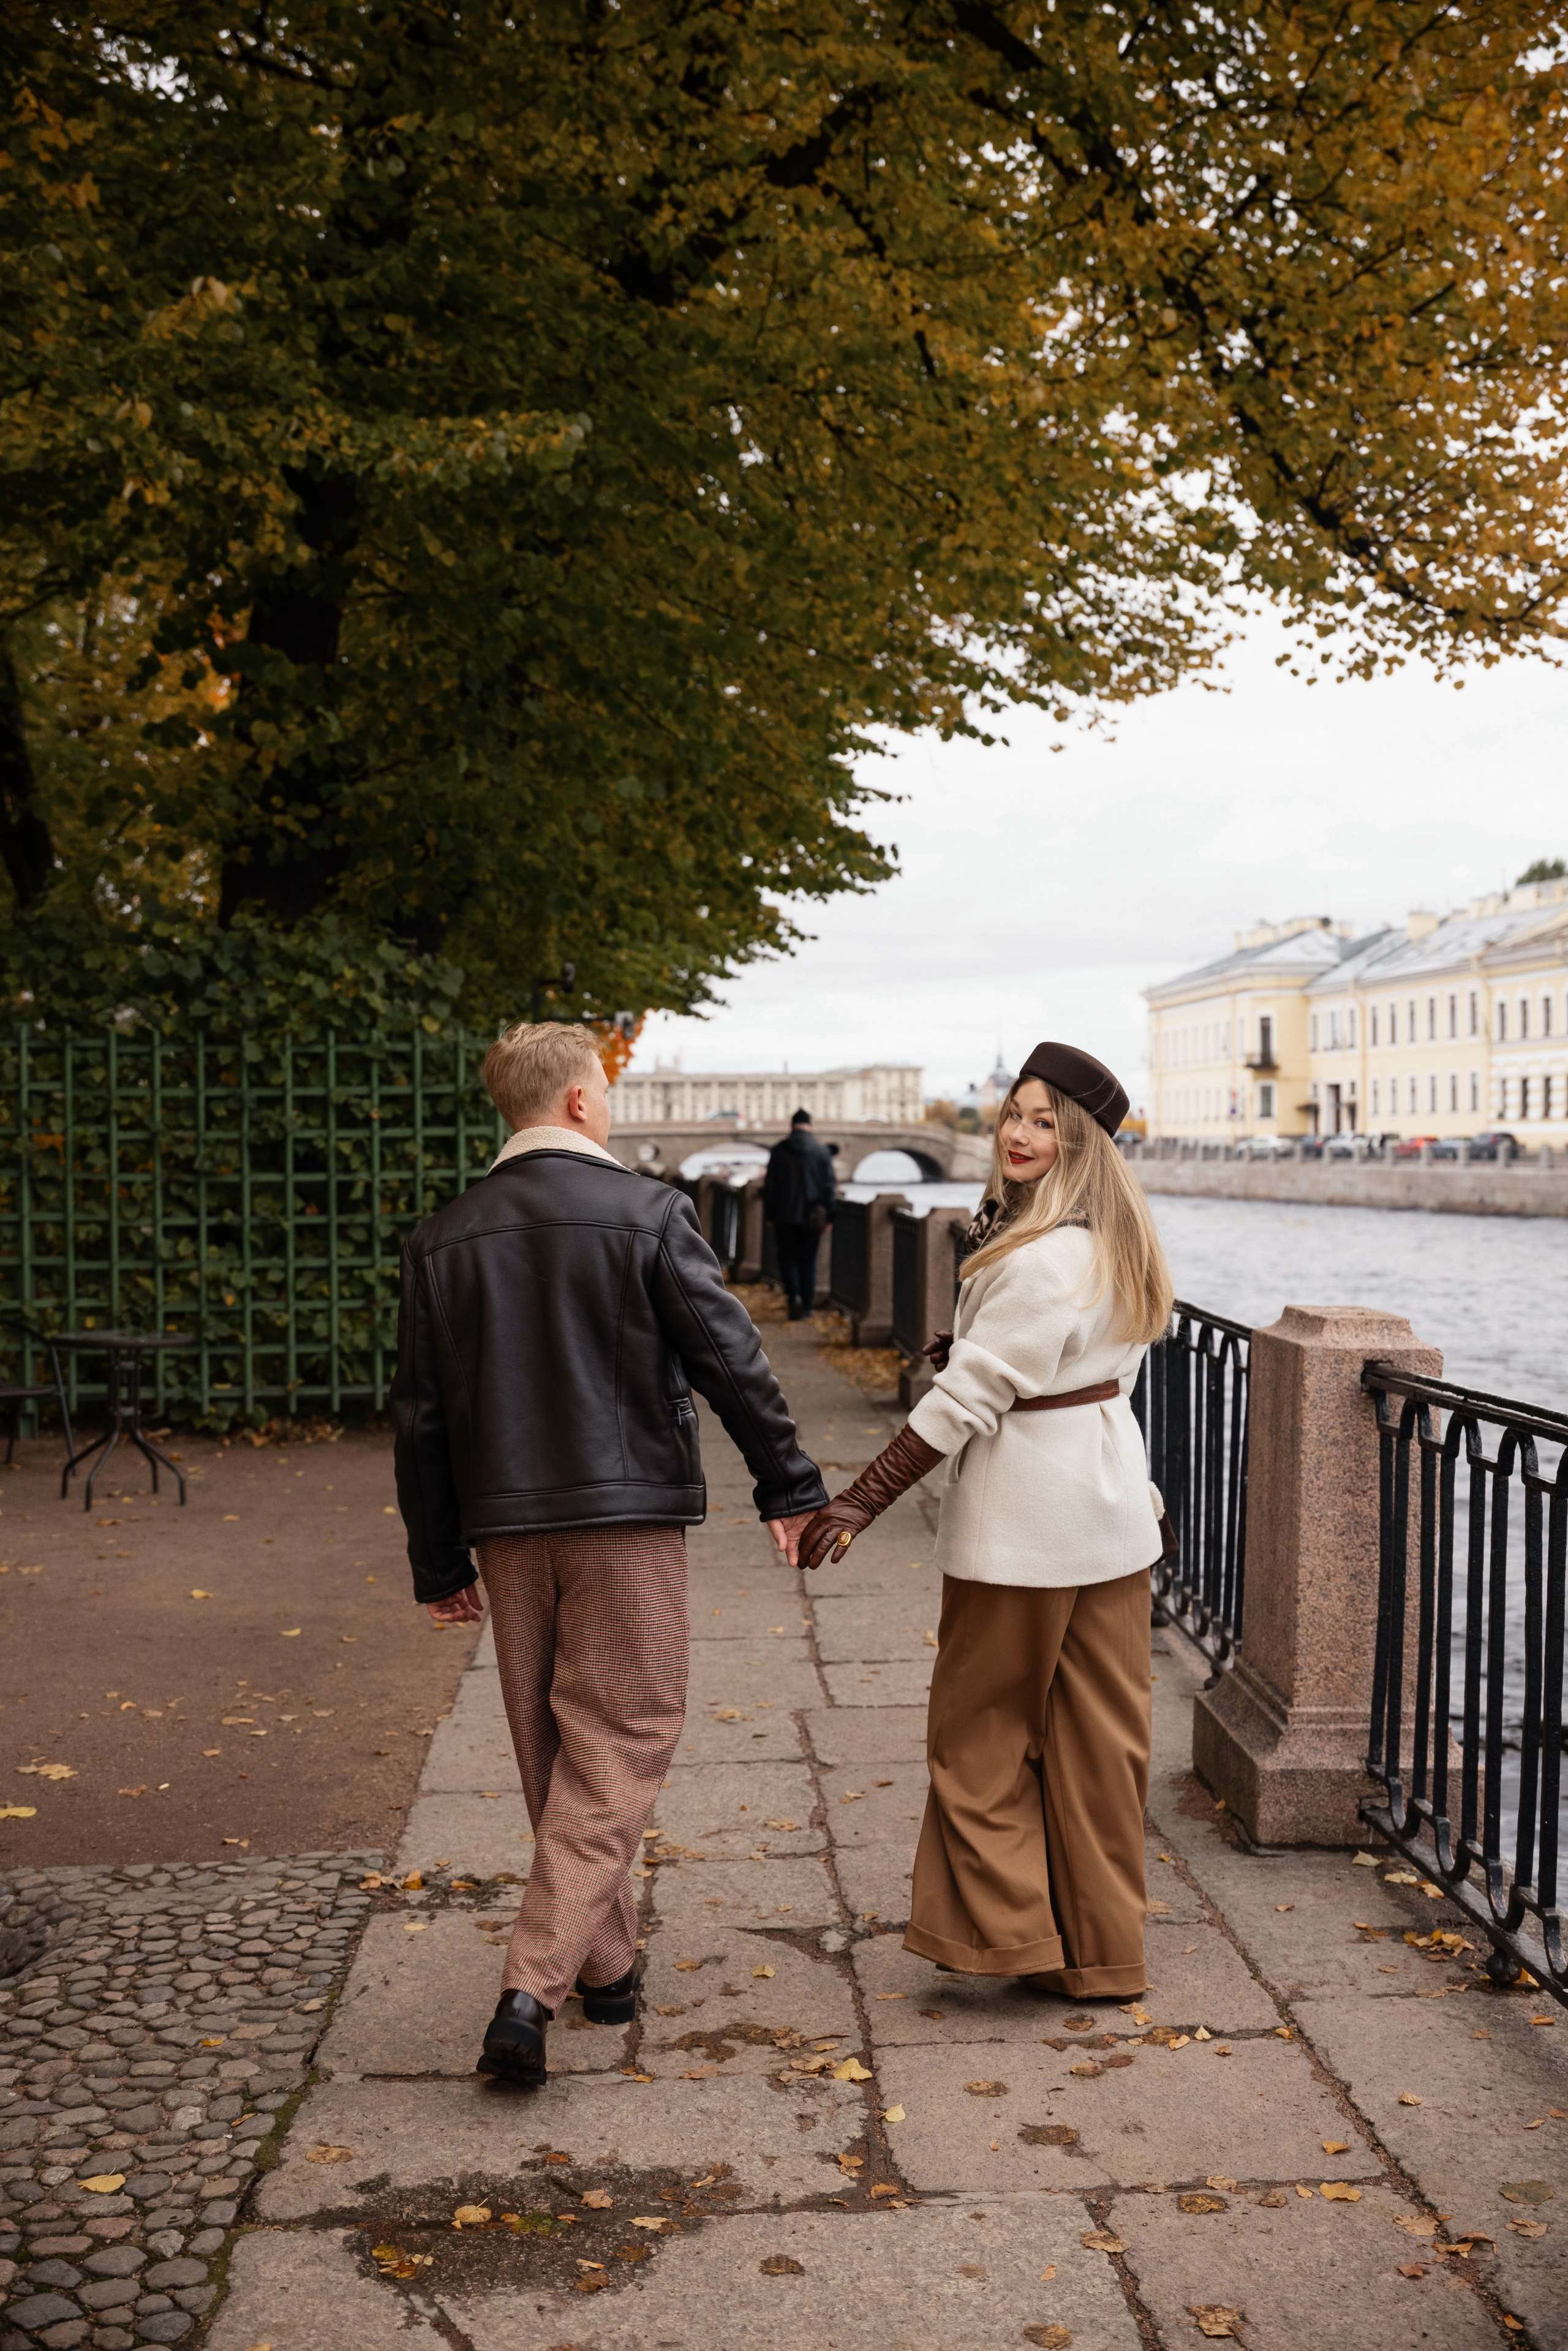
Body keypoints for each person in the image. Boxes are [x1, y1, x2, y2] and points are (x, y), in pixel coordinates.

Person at [392, 1022, 826, 2086]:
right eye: (607, 1089)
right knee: (625, 1736)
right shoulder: (648, 1213)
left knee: (555, 1746)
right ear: (582, 1101)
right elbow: (730, 1355)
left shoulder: (441, 1237)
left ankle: (611, 1965)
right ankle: (531, 1987)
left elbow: (421, 1416)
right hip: (625, 1516)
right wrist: (788, 1482)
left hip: (505, 1523)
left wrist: (439, 1559)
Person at [796, 1041, 1173, 1999]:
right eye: (1014, 1112)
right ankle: (1103, 1954)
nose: (1019, 1132)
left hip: (1025, 1528)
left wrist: (862, 1496)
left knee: (979, 1740)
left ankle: (1010, 1937)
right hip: (1110, 1517)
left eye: (1046, 1121)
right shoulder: (1114, 1241)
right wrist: (967, 1338)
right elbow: (1075, 1362)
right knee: (1100, 1747)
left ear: (1080, 1141)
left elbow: (972, 1397)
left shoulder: (1040, 1258)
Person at [763, 1107, 837, 1319]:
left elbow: (770, 1186)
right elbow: (829, 1187)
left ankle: (793, 1297)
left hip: (784, 1215)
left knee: (788, 1259)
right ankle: (806, 1305)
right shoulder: (822, 1152)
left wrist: (770, 1214)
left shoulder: (779, 1151)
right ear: (810, 1127)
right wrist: (830, 1216)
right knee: (808, 1261)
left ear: (792, 1127)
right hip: (813, 1216)